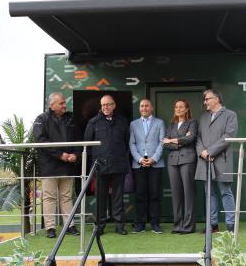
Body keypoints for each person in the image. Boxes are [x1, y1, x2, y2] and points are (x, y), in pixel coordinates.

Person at [33, 92, 80, 238]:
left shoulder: (71, 118)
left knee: (67, 196)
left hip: (68, 165)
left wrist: (76, 155)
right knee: (49, 197)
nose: (64, 105)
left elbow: (79, 138)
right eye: (61, 103)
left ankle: (69, 226)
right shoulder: (41, 118)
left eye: (64, 102)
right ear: (51, 105)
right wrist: (60, 155)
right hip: (49, 165)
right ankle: (50, 228)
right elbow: (40, 141)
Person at [84, 94, 130, 235]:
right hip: (100, 166)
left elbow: (126, 143)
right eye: (103, 105)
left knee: (118, 196)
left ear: (114, 105)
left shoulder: (122, 122)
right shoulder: (93, 122)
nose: (105, 107)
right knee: (100, 197)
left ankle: (120, 225)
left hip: (118, 164)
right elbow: (87, 144)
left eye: (108, 104)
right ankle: (100, 225)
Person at [195, 89, 238, 233]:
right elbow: (198, 137)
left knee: (226, 192)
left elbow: (229, 135)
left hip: (222, 160)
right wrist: (202, 152)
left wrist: (211, 151)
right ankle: (212, 225)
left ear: (217, 99)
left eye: (207, 99)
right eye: (204, 99)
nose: (205, 102)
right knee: (209, 193)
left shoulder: (230, 115)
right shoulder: (203, 117)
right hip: (205, 161)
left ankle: (231, 226)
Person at [129, 98, 165, 234]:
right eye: (141, 106)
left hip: (156, 164)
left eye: (146, 106)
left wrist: (154, 159)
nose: (144, 108)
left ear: (152, 108)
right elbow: (131, 143)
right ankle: (140, 224)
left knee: (155, 194)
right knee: (140, 195)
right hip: (139, 164)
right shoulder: (133, 124)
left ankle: (155, 224)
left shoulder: (159, 123)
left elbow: (162, 142)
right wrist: (139, 159)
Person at [163, 99, 197, 234]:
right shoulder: (171, 125)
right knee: (176, 194)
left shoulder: (192, 122)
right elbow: (164, 144)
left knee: (189, 193)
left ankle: (188, 226)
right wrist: (180, 140)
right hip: (172, 161)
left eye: (181, 107)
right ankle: (178, 225)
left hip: (187, 160)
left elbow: (191, 138)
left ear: (187, 109)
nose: (178, 109)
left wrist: (171, 140)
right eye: (176, 107)